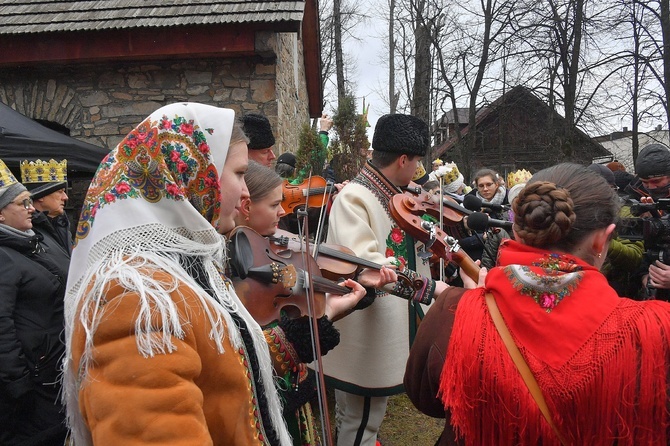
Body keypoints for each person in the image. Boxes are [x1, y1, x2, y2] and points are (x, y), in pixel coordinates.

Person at [62, 103, 368, 445]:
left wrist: (317, 318)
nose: (247, 193)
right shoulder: (137, 299)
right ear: (192, 175)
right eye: (239, 173)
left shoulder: (187, 268)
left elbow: (224, 367)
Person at [405, 163, 670, 445]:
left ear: (518, 232)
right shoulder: (655, 329)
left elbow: (425, 399)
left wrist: (472, 308)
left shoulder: (455, 311)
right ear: (602, 241)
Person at [233, 160, 396, 445]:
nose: (283, 212)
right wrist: (327, 309)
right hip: (263, 405)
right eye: (274, 206)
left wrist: (344, 297)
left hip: (292, 393)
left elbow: (304, 310)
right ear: (246, 207)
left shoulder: (275, 247)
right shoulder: (240, 273)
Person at [322, 113, 449, 446]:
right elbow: (369, 266)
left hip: (389, 324)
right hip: (368, 327)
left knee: (362, 418)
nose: (418, 169)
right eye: (417, 161)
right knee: (360, 419)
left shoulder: (398, 194)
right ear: (403, 159)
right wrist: (433, 289)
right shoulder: (355, 197)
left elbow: (405, 250)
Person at [0, 159, 68, 445]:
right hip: (34, 380)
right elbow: (1, 325)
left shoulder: (28, 244)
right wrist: (19, 381)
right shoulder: (5, 256)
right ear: (1, 215)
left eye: (30, 201)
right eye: (22, 203)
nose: (31, 208)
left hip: (49, 370)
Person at [20, 158, 72, 255]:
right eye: (60, 192)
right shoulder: (26, 230)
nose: (65, 197)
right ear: (41, 196)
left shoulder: (63, 224)